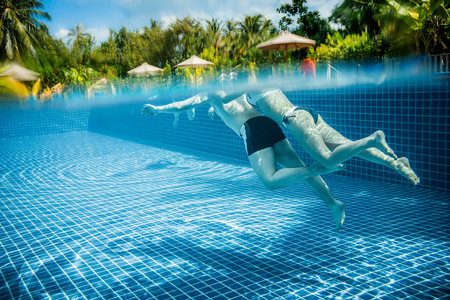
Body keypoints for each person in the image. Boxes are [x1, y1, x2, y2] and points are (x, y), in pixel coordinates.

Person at [143, 91, 346, 231]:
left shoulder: (210, 91)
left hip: (251, 129)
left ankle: (316, 167)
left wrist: (158, 109)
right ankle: (333, 203)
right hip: (268, 123)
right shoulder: (237, 87)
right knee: (297, 167)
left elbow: (181, 106)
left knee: (270, 180)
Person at [245, 88, 420, 185]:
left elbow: (227, 97)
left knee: (328, 160)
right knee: (346, 146)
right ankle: (394, 162)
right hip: (305, 113)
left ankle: (372, 139)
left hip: (293, 118)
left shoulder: (250, 82)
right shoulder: (266, 81)